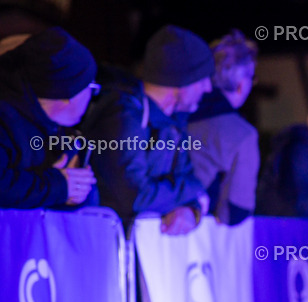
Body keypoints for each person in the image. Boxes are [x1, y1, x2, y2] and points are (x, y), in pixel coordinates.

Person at [81, 24, 213, 235]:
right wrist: (193, 191)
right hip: (103, 249)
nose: (208, 88)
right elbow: (135, 196)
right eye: (202, 78)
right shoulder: (124, 115)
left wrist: (190, 211)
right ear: (182, 80)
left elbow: (188, 178)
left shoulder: (174, 122)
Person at [0, 27, 98, 209]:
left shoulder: (58, 131)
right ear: (69, 95)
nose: (93, 97)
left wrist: (73, 192)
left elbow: (56, 192)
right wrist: (57, 186)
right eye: (91, 87)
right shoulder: (5, 120)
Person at [187, 29, 259, 226]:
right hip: (196, 233)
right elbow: (236, 212)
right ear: (242, 85)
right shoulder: (243, 134)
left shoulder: (178, 112)